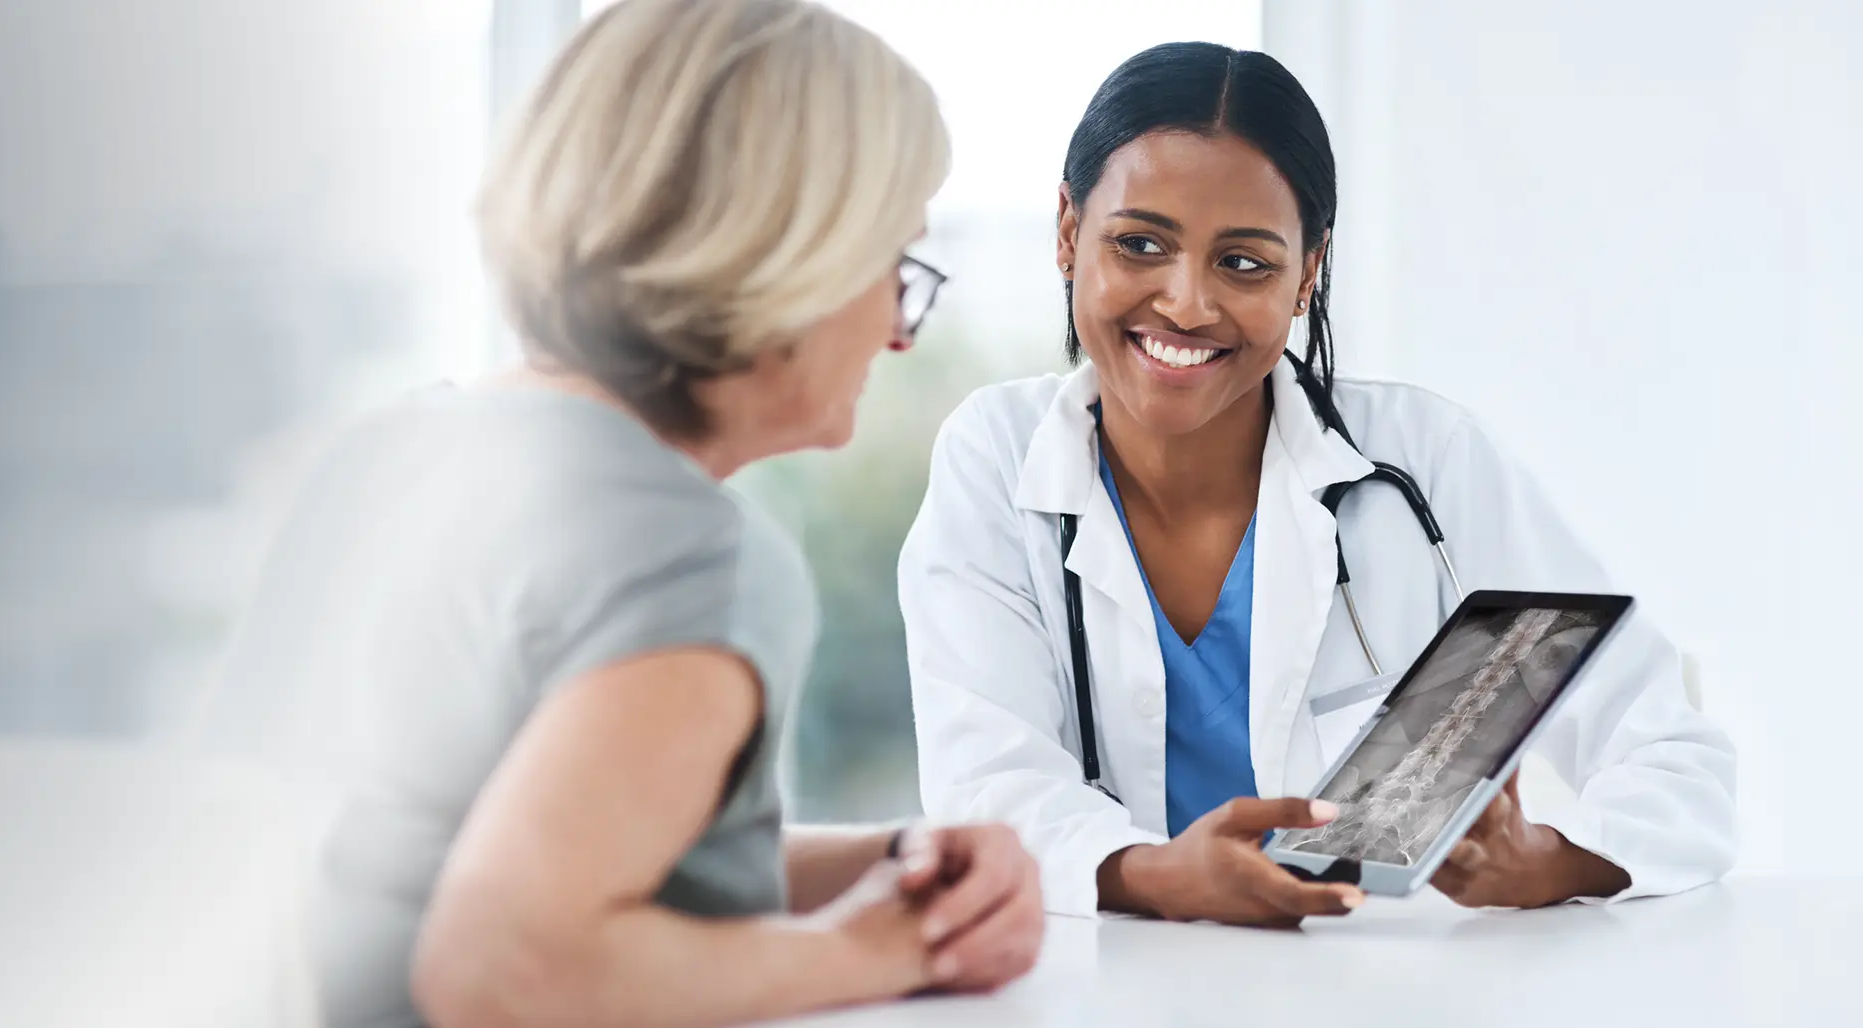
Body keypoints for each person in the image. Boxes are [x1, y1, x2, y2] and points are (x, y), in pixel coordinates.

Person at [211, 2, 1044, 1024]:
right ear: (791, 251)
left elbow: (558, 860)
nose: (899, 330)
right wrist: (882, 945)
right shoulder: (688, 552)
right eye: (893, 267)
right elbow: (506, 965)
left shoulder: (386, 455)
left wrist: (889, 861)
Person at [897, 42, 1734, 927]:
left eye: (1245, 262)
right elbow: (985, 782)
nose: (1186, 304)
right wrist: (1148, 873)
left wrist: (1548, 862)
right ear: (1068, 232)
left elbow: (1676, 760)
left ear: (1309, 271)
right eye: (1140, 244)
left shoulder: (1427, 462)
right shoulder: (995, 458)